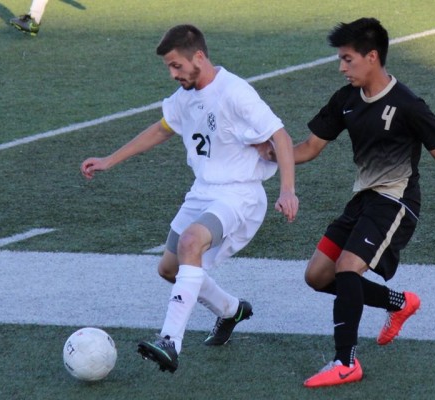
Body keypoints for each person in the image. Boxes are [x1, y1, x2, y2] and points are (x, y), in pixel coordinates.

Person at [257, 17, 435, 387]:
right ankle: (398, 303)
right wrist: (269, 153)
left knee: (347, 268)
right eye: (340, 60)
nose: (342, 67)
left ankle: (345, 362)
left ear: (372, 56)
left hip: (396, 201)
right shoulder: (346, 100)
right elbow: (310, 148)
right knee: (317, 276)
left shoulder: (408, 104)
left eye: (348, 59)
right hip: (363, 199)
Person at [80, 24, 298, 373]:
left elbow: (282, 138)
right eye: (169, 67)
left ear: (199, 56)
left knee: (191, 242)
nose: (172, 74)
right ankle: (231, 309)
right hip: (203, 192)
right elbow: (161, 129)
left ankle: (170, 340)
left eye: (176, 65)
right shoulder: (185, 97)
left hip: (239, 194)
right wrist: (109, 159)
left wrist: (287, 189)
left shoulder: (235, 92)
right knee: (169, 269)